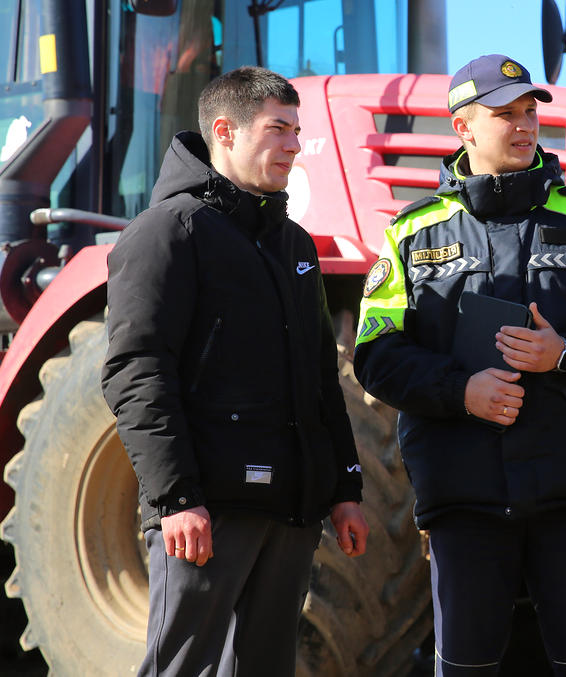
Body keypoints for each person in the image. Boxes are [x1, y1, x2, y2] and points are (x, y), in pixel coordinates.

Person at [354, 54, 566, 675]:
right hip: (461, 500)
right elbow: (375, 354)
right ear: (463, 127)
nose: (525, 126)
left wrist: (565, 351)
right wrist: (461, 390)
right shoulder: (410, 232)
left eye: (530, 112)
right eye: (505, 114)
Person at [102, 66, 369, 675]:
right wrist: (177, 497)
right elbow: (136, 372)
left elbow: (321, 381)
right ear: (224, 131)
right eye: (278, 129)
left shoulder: (295, 246)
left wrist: (344, 491)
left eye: (297, 130)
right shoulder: (167, 233)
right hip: (207, 513)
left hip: (291, 512)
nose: (295, 145)